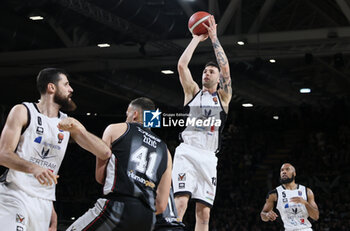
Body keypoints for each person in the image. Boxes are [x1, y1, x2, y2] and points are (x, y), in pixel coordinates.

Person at [0, 68, 111, 231]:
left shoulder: (67, 123)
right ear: (51, 87)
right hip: (14, 193)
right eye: (66, 84)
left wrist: (79, 130)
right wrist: (34, 168)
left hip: (44, 202)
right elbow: (3, 154)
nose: (71, 89)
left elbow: (104, 152)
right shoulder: (24, 111)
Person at [67, 97, 172, 231]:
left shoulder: (116, 129)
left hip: (118, 206)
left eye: (127, 113)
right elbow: (162, 205)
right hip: (147, 219)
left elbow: (100, 178)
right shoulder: (166, 151)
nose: (126, 117)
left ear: (134, 115)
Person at [172, 15, 232, 231]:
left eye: (211, 71)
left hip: (208, 157)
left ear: (218, 78)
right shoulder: (192, 92)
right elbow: (181, 65)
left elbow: (226, 70)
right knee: (180, 203)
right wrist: (197, 38)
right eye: (205, 71)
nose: (207, 73)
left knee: (204, 214)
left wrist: (214, 38)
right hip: (187, 152)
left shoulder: (223, 98)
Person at [260, 163, 319, 231]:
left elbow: (316, 216)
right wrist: (267, 215)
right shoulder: (274, 194)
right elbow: (263, 215)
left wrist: (305, 203)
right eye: (282, 170)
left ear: (294, 173)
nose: (284, 172)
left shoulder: (307, 191)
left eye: (287, 169)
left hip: (306, 229)